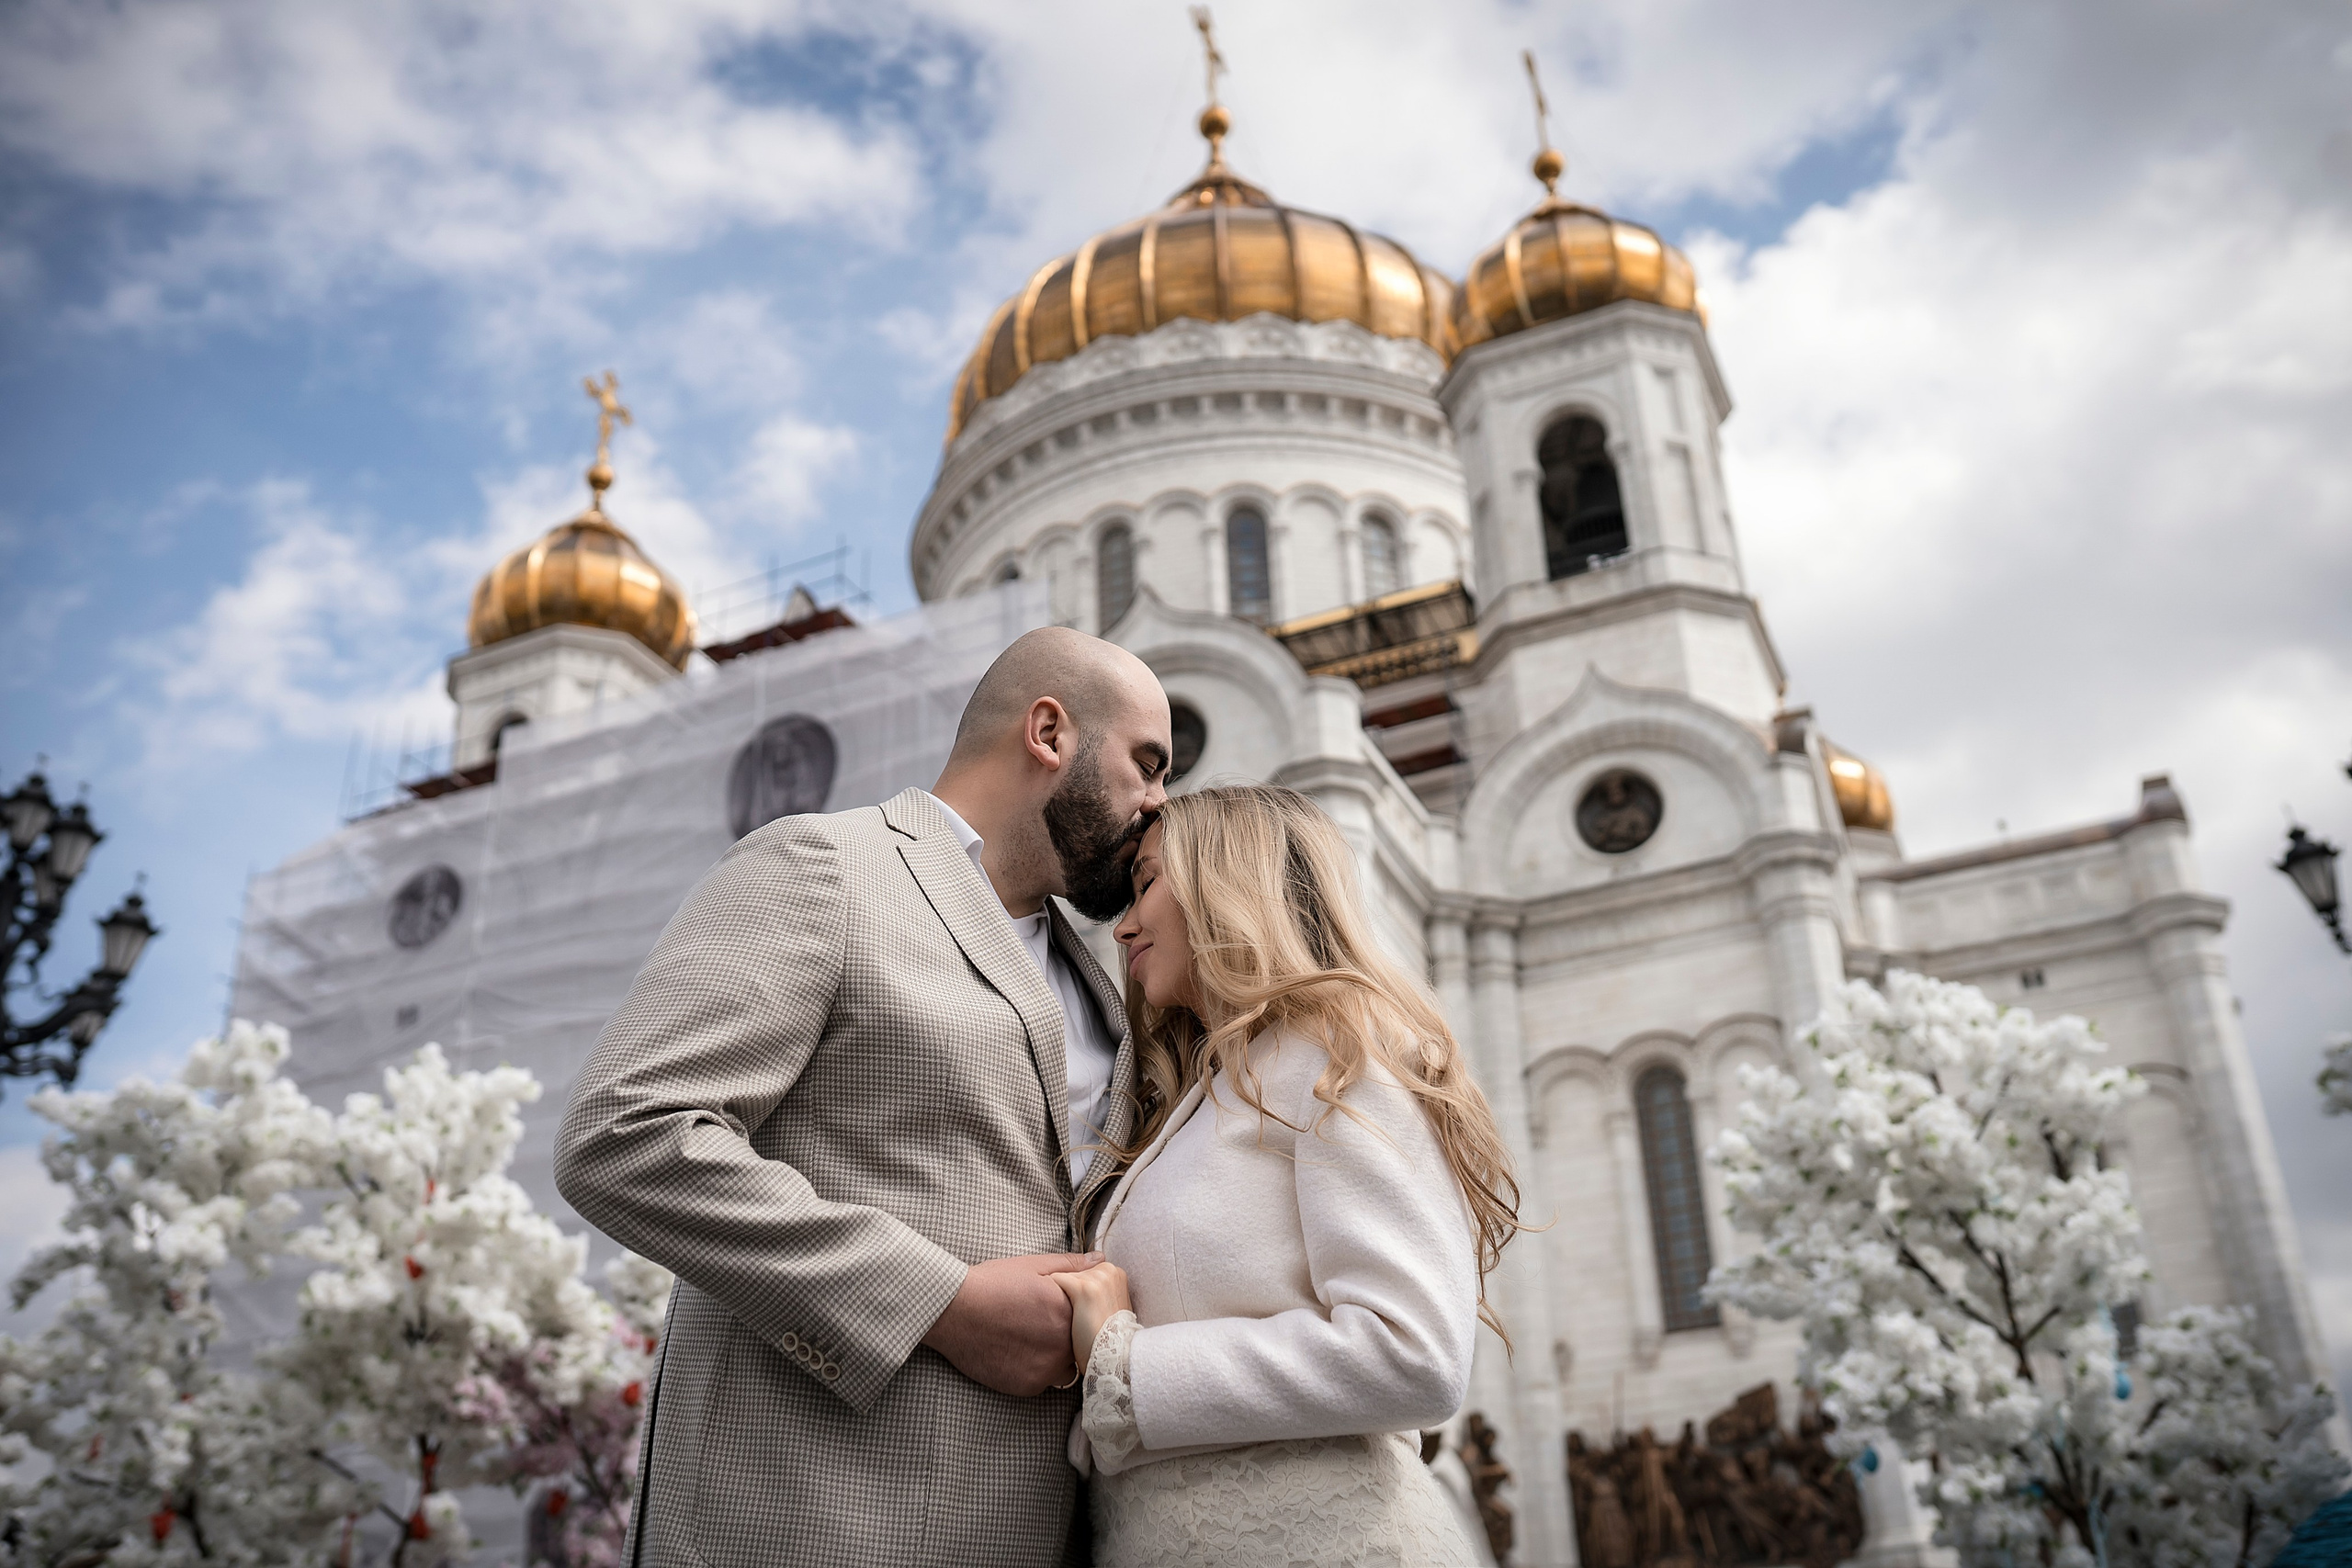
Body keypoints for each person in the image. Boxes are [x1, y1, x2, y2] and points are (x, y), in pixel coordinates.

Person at [555, 626, 1172, 1568]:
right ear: (1049, 732)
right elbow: (625, 1130)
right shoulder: (825, 867)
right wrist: (940, 1303)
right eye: (1147, 763)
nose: (1160, 802)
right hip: (809, 1521)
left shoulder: (1103, 982)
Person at [1048, 784, 1522, 1567]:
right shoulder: (1205, 1094)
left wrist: (1127, 1367)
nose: (1123, 924)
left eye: (1147, 883)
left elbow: (1412, 1351)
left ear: (1229, 881)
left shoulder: (1337, 1057)